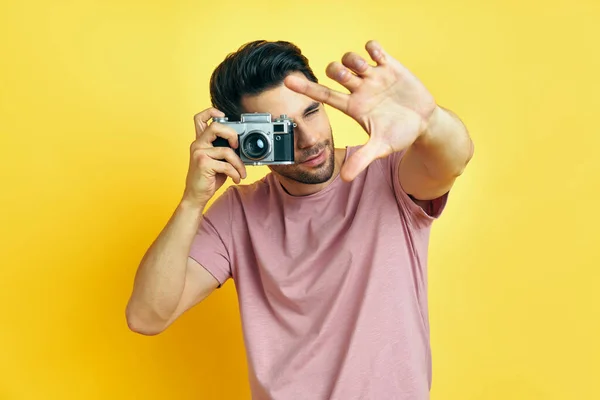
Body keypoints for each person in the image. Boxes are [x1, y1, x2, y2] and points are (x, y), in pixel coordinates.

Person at [125, 39, 474, 399]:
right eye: (281, 129)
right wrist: (192, 200)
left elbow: (453, 159)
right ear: (242, 137)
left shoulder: (388, 177)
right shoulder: (237, 213)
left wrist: (428, 120)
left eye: (311, 112)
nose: (309, 140)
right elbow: (147, 316)